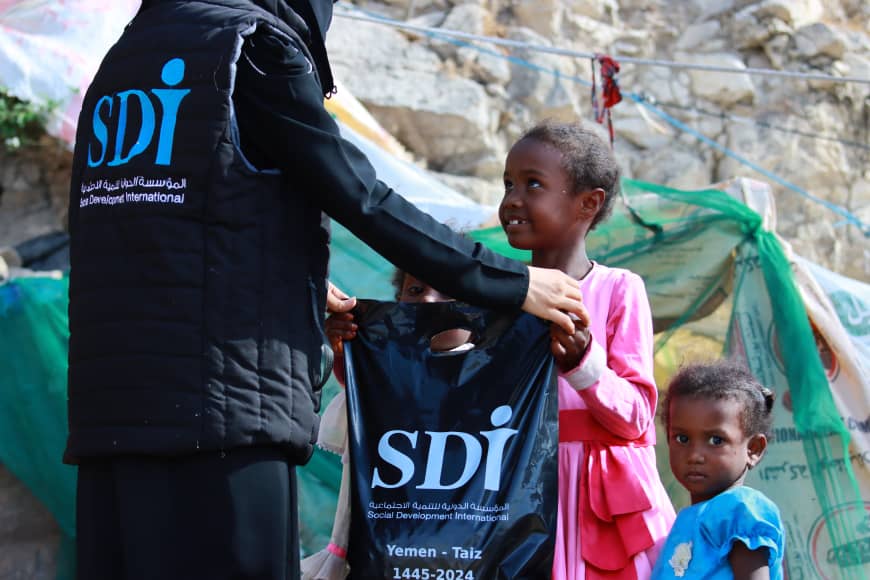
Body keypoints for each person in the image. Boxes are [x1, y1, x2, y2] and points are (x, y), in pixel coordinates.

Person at [64, 2, 588, 579]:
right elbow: (361, 196)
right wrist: (512, 281)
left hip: (109, 417)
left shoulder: (124, 58)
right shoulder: (250, 47)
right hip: (221, 413)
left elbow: (155, 229)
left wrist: (295, 279)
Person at [499, 120, 675, 579]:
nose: (512, 199)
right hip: (520, 487)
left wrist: (583, 364)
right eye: (508, 184)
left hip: (604, 501)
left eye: (532, 184)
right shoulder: (498, 295)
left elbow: (637, 415)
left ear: (588, 203)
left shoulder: (619, 289)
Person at [301, 268, 473, 579]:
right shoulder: (388, 359)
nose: (428, 301)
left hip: (463, 546)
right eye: (416, 291)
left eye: (448, 292)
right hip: (387, 544)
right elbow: (363, 400)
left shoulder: (496, 374)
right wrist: (344, 352)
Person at [652, 360, 784, 579]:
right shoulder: (686, 520)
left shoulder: (740, 511)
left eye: (716, 440)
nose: (694, 455)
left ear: (753, 449)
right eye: (682, 438)